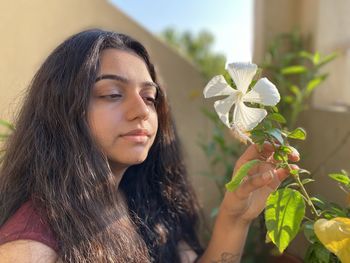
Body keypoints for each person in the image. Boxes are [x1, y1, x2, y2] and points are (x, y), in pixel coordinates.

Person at [0, 29, 298, 262]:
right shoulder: (29, 247)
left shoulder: (143, 200)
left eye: (150, 97)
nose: (142, 111)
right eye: (113, 93)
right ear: (61, 108)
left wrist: (235, 216)